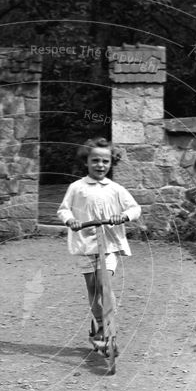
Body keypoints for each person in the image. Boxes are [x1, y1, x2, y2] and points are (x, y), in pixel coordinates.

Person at [56, 138, 141, 345]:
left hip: (109, 245)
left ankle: (110, 323)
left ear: (111, 163)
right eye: (95, 160)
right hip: (86, 245)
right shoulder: (77, 187)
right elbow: (63, 209)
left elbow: (135, 209)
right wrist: (71, 220)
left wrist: (122, 217)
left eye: (105, 161)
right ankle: (99, 323)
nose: (100, 165)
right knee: (93, 289)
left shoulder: (115, 189)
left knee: (105, 283)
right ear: (86, 161)